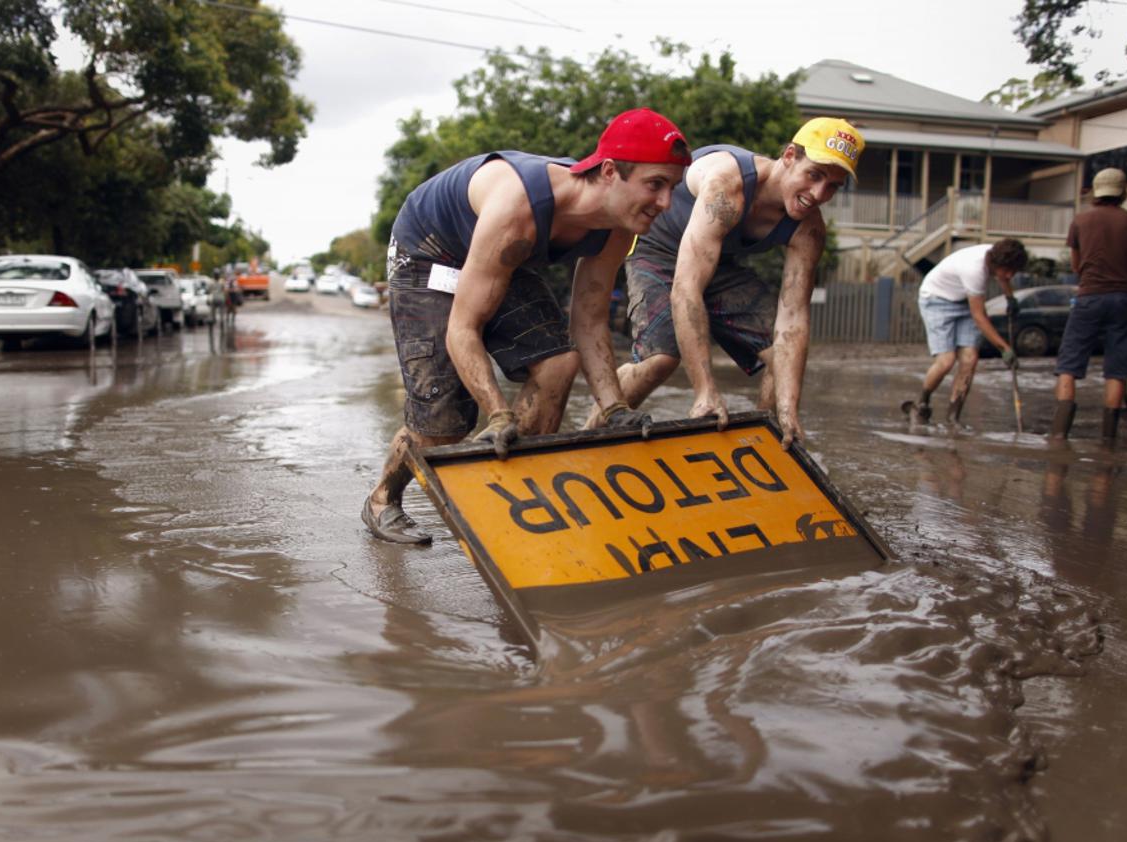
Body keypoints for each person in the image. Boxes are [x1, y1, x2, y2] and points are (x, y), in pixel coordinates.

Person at [363, 108, 692, 545]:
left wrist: (614, 411)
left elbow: (589, 318)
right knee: (444, 424)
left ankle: (514, 501)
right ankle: (382, 500)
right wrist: (498, 414)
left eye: (672, 187)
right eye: (655, 185)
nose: (666, 203)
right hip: (431, 251)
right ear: (610, 172)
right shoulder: (519, 204)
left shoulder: (618, 223)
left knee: (558, 363)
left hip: (497, 255)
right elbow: (463, 327)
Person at [582, 117, 864, 449]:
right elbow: (686, 288)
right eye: (814, 176)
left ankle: (767, 444)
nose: (818, 194)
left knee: (779, 355)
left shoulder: (809, 230)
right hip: (659, 251)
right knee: (661, 360)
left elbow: (793, 320)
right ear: (789, 157)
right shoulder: (728, 185)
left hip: (715, 262)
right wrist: (705, 391)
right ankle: (587, 438)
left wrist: (789, 414)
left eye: (832, 186)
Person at [1049, 168, 1127, 440]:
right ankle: (1108, 439)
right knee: (1117, 370)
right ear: (1123, 192)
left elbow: (1075, 266)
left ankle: (1059, 435)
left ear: (1096, 191)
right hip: (1124, 300)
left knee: (1068, 366)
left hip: (1089, 297)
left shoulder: (1081, 221)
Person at [903, 239, 1026, 428]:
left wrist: (1011, 298)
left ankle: (953, 417)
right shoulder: (974, 269)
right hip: (936, 300)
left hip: (963, 300)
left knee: (969, 360)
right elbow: (979, 316)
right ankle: (922, 402)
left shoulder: (997, 256)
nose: (1010, 275)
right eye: (1008, 270)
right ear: (995, 264)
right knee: (946, 361)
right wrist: (1004, 348)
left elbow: (1003, 276)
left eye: (1014, 271)